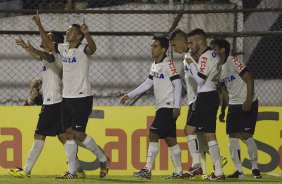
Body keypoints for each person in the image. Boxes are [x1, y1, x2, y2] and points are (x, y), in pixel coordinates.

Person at [32, 11, 110, 179]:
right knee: (68, 134)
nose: (67, 33)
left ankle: (103, 159)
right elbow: (47, 42)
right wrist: (39, 24)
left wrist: (88, 34)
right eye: (67, 31)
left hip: (82, 97)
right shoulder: (64, 49)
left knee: (79, 135)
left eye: (70, 31)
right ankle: (72, 172)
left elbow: (93, 48)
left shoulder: (83, 50)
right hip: (67, 98)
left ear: (78, 36)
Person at [8, 32, 85, 178]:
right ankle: (77, 169)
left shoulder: (55, 56)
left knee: (39, 134)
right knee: (62, 136)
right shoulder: (50, 57)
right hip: (57, 102)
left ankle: (26, 170)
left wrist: (31, 47)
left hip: (53, 103)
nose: (42, 39)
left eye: (47, 38)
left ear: (53, 42)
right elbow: (40, 57)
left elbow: (45, 56)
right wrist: (27, 47)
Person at [120, 36, 183, 179]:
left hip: (167, 106)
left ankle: (147, 169)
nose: (151, 48)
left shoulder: (168, 63)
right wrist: (128, 95)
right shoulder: (155, 64)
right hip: (162, 106)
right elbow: (148, 84)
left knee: (153, 134)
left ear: (163, 49)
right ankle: (179, 172)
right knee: (170, 139)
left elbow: (178, 84)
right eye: (151, 46)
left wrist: (177, 106)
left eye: (155, 46)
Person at [169, 28, 227, 180]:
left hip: (204, 97)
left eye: (190, 42)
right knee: (201, 132)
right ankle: (213, 169)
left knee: (194, 131)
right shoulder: (205, 55)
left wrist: (190, 62)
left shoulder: (202, 56)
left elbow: (200, 79)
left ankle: (209, 167)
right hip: (206, 96)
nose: (174, 49)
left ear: (198, 41)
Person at [210, 38, 262, 179]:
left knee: (246, 136)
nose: (212, 51)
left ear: (223, 50)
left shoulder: (233, 61)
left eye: (214, 48)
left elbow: (249, 78)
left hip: (247, 102)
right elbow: (225, 91)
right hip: (233, 104)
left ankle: (255, 168)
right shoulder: (217, 68)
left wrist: (248, 100)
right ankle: (239, 171)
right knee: (232, 137)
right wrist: (222, 110)